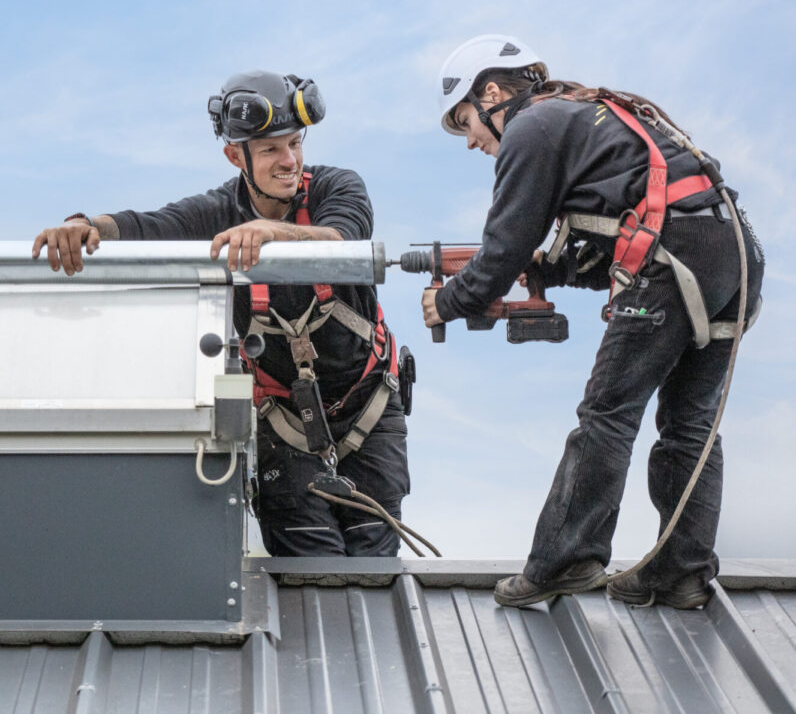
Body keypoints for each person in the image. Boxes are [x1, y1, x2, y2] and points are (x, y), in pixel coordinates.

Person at [423, 34, 764, 609]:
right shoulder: (583, 114)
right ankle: (681, 574)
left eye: (466, 122)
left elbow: (504, 248)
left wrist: (451, 300)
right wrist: (551, 270)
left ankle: (565, 561)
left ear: (492, 94)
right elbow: (617, 238)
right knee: (690, 426)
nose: (471, 141)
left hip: (674, 257)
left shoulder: (531, 127)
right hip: (732, 254)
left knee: (607, 413)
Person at [33, 69, 410, 557]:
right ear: (236, 157)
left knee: (374, 565)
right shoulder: (216, 213)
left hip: (368, 410)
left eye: (295, 143)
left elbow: (343, 241)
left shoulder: (337, 187)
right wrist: (83, 225)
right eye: (271, 149)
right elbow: (146, 226)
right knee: (308, 567)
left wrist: (275, 234)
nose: (289, 160)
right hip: (283, 426)